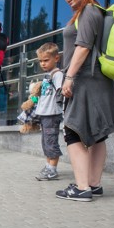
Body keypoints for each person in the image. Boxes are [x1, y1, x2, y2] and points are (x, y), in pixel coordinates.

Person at [56, 0, 114, 201]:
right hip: (94, 80)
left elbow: (83, 47)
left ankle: (82, 187)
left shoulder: (89, 11)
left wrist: (69, 77)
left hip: (84, 80)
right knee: (97, 134)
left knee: (73, 131)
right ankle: (93, 184)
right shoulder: (91, 13)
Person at [33, 43, 64, 181]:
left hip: (52, 114)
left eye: (46, 60)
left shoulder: (57, 75)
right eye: (40, 61)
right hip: (44, 114)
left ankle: (52, 169)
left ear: (56, 58)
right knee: (45, 142)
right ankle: (48, 165)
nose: (43, 64)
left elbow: (60, 92)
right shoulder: (47, 75)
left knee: (51, 142)